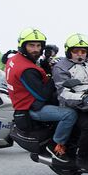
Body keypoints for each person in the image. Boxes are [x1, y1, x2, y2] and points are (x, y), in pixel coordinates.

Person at [5, 28, 77, 163]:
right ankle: (55, 148)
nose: (36, 49)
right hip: (31, 108)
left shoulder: (15, 59)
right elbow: (42, 94)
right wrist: (53, 75)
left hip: (25, 102)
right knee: (70, 114)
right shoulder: (26, 69)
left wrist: (45, 66)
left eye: (39, 46)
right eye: (31, 45)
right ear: (23, 46)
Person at [53, 34, 88, 172]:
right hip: (77, 106)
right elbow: (63, 94)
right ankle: (81, 157)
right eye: (76, 51)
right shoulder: (61, 67)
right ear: (69, 51)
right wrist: (83, 98)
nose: (80, 54)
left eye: (83, 51)